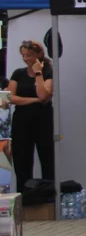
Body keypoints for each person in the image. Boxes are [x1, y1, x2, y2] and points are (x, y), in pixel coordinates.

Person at [6, 40, 54, 193]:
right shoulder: (18, 74)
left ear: (39, 55)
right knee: (22, 159)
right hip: (21, 120)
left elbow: (44, 95)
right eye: (24, 55)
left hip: (43, 120)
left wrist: (38, 73)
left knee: (46, 156)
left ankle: (48, 194)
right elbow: (10, 97)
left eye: (29, 55)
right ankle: (24, 195)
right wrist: (34, 100)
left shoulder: (48, 71)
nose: (26, 59)